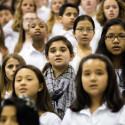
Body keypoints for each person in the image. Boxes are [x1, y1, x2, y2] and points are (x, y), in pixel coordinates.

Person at [62, 54, 125, 125]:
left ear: (109, 77)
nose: (93, 78)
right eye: (87, 74)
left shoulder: (121, 111)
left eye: (99, 73)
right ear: (80, 79)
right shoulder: (71, 112)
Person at [43, 35, 75, 117]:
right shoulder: (40, 81)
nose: (58, 54)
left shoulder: (79, 80)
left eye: (63, 50)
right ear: (47, 58)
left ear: (72, 56)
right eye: (53, 51)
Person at [96, 18, 125, 98]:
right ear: (103, 40)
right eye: (110, 36)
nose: (116, 41)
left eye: (121, 36)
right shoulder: (95, 66)